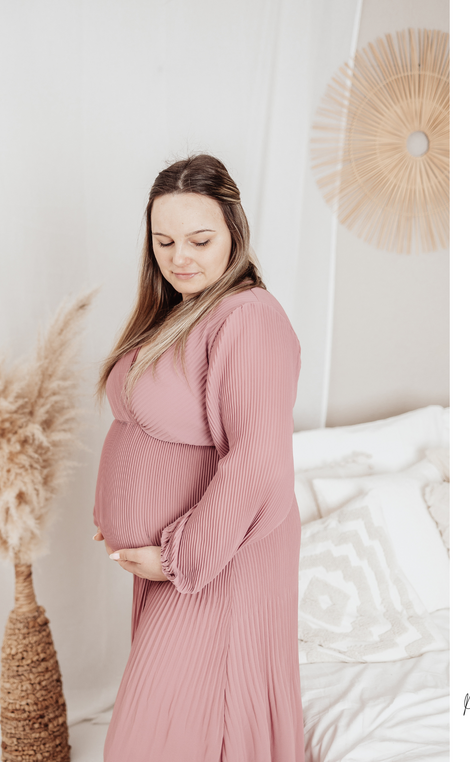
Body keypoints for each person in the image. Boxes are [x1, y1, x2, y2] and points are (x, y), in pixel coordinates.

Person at [92, 154, 305, 761]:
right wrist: (118, 509)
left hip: (218, 562)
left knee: (159, 735)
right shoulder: (183, 312)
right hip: (179, 561)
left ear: (234, 232)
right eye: (163, 242)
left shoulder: (249, 318)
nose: (179, 257)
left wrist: (179, 555)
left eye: (199, 240)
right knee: (176, 730)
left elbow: (259, 459)